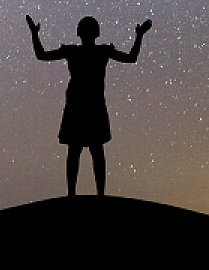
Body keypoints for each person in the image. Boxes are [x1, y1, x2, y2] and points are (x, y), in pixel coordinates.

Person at [28, 14, 153, 197]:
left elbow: (42, 55)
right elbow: (131, 57)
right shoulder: (100, 52)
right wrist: (139, 35)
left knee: (79, 151)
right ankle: (96, 195)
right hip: (90, 106)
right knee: (93, 151)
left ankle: (74, 195)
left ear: (79, 32)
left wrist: (34, 33)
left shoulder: (76, 51)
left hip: (80, 107)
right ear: (96, 33)